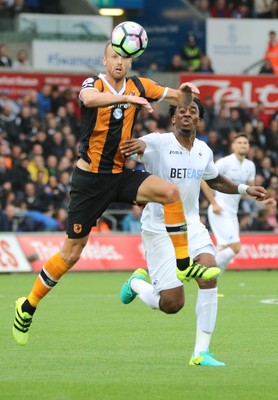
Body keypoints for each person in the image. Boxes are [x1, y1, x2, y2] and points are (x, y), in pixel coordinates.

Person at [12, 40, 219, 346]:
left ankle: (183, 262)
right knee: (71, 254)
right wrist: (129, 101)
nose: (119, 62)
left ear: (131, 63)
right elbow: (90, 99)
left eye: (125, 58)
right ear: (105, 60)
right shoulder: (94, 83)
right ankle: (27, 306)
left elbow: (177, 96)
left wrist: (186, 90)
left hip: (120, 174)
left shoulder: (139, 84)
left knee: (170, 192)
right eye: (114, 57)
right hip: (89, 181)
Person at [119, 99, 268, 366]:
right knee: (172, 304)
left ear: (199, 121)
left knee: (209, 272)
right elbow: (140, 146)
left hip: (192, 226)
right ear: (173, 119)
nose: (187, 115)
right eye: (181, 112)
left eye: (193, 112)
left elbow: (216, 180)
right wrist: (138, 146)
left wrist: (246, 190)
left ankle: (201, 353)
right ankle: (136, 284)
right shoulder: (158, 142)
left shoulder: (203, 150)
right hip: (158, 230)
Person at [201, 133, 276, 276]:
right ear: (233, 146)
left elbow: (249, 191)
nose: (243, 145)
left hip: (232, 213)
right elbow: (204, 180)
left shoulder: (250, 166)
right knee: (235, 247)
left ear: (249, 147)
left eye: (245, 143)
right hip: (220, 210)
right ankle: (205, 270)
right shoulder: (224, 162)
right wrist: (214, 203)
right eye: (240, 142)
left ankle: (212, 285)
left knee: (224, 250)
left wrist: (264, 202)